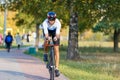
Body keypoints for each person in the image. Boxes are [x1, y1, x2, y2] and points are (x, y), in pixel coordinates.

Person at [42, 11, 61, 77]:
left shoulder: (58, 22)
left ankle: (57, 68)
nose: (51, 21)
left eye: (53, 20)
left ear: (55, 19)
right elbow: (46, 33)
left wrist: (56, 37)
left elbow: (58, 34)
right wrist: (48, 37)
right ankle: (45, 53)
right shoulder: (45, 23)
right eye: (50, 20)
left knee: (56, 49)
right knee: (46, 41)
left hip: (55, 32)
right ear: (48, 19)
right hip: (48, 32)